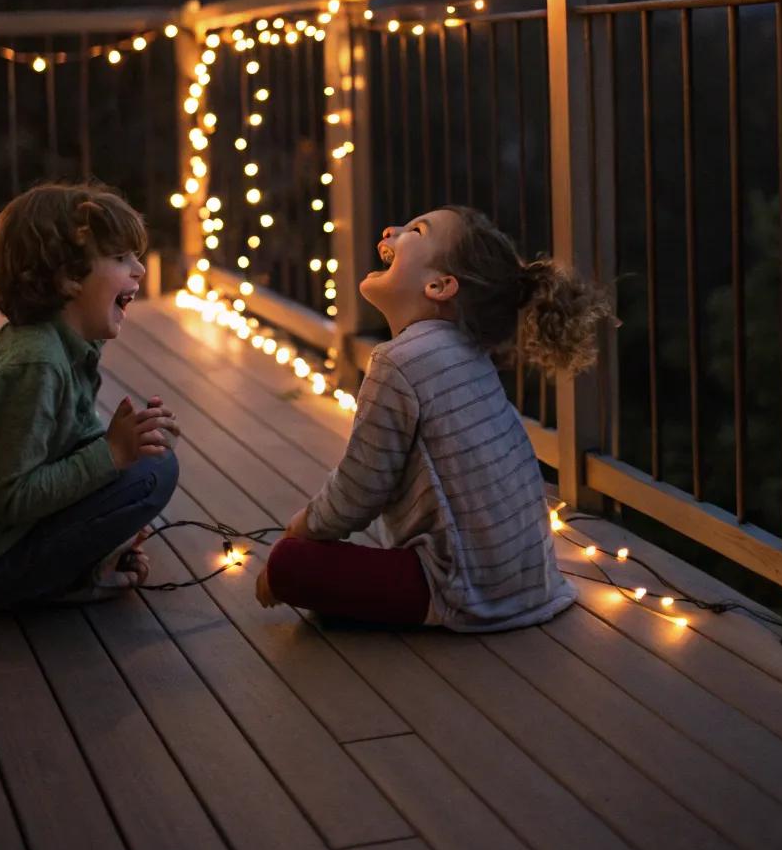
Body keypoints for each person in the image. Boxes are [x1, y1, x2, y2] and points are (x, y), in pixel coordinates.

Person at [256, 205, 610, 631]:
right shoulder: (467, 354)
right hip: (532, 582)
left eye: (415, 230)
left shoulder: (398, 361)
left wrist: (304, 527)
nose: (391, 229)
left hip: (460, 589)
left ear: (439, 286)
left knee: (291, 563)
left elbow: (360, 489)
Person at [0, 182, 180, 608]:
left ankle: (72, 564)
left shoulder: (62, 346)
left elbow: (64, 445)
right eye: (120, 258)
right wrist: (115, 455)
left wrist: (135, 442)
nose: (138, 270)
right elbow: (14, 498)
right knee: (154, 475)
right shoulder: (35, 364)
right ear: (68, 278)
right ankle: (52, 583)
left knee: (150, 463)